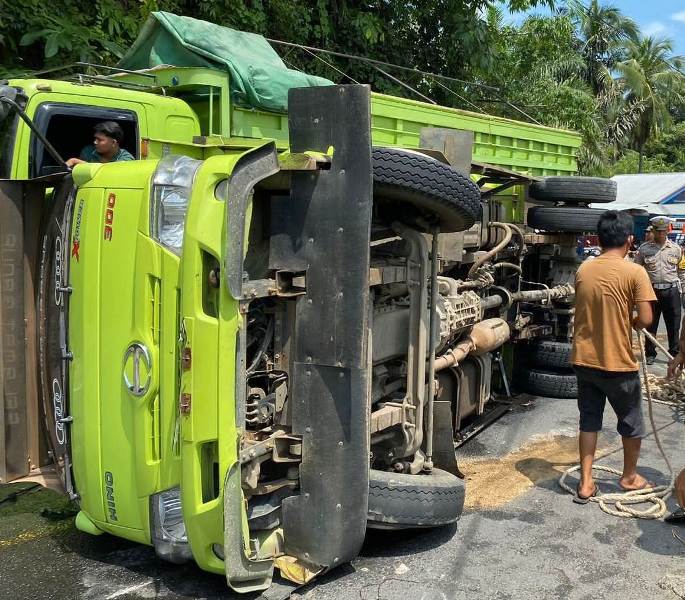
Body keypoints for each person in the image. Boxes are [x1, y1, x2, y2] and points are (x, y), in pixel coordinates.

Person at [571, 210, 655, 503]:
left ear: (600, 238)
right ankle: (629, 477)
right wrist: (630, 323)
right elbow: (645, 318)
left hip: (584, 360)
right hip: (618, 362)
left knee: (589, 420)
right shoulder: (635, 271)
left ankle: (586, 482)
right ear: (630, 240)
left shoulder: (584, 269)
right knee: (631, 423)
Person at [634, 216, 685, 364]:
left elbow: (681, 271)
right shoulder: (644, 249)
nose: (661, 234)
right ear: (653, 230)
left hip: (672, 290)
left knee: (674, 324)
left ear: (668, 230)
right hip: (652, 291)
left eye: (664, 231)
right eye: (658, 231)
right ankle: (650, 353)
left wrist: (684, 291)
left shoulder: (676, 249)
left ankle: (674, 353)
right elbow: (637, 271)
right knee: (651, 323)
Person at [66, 121, 134, 167]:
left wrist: (75, 161)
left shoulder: (126, 158)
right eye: (95, 138)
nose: (95, 142)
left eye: (99, 140)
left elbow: (110, 172)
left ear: (113, 142)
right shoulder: (88, 152)